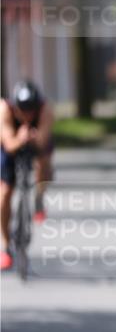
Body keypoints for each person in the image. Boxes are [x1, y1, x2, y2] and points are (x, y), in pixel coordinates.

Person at [1, 81, 55, 271]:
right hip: (12, 146)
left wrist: (33, 138)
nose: (27, 113)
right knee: (4, 194)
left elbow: (42, 143)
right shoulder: (5, 110)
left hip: (36, 144)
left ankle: (39, 198)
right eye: (23, 109)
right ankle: (6, 247)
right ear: (15, 106)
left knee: (44, 161)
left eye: (31, 109)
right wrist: (20, 138)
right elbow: (8, 144)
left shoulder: (45, 110)